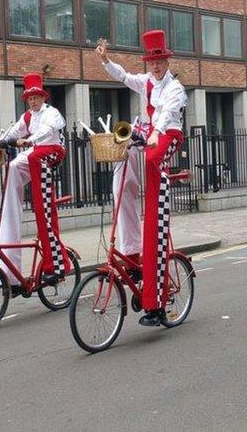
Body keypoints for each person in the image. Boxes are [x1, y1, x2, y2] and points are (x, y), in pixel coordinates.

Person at [96, 30, 188, 327]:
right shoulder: (147, 81)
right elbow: (124, 77)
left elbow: (166, 114)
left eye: (159, 61)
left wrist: (156, 133)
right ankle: (131, 245)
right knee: (121, 169)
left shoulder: (175, 88)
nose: (155, 66)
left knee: (150, 160)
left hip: (168, 135)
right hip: (149, 134)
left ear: (166, 60)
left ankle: (153, 222)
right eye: (151, 61)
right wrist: (106, 61)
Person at [0, 73, 71, 290]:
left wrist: (30, 140)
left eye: (36, 97)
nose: (33, 101)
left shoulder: (51, 113)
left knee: (32, 156)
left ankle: (56, 263)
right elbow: (13, 130)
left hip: (52, 151)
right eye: (30, 98)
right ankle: (12, 204)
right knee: (12, 167)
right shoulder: (27, 116)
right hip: (35, 153)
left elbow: (48, 130)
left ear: (43, 97)